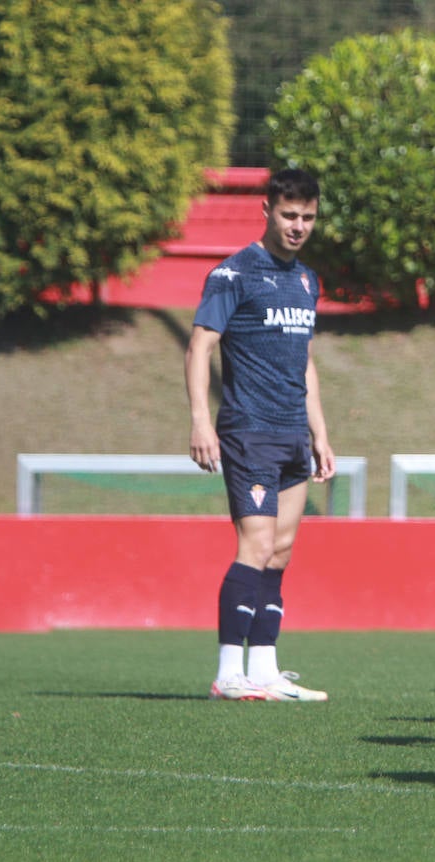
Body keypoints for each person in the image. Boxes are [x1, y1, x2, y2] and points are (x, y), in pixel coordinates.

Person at [186, 168, 336, 702]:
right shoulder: (234, 274)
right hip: (249, 429)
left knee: (282, 550)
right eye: (289, 215)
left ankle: (267, 671)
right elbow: (200, 347)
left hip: (294, 432)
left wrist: (320, 432)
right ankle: (229, 672)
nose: (299, 226)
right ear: (267, 211)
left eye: (308, 218)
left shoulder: (306, 280)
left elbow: (306, 361)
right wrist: (202, 421)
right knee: (257, 543)